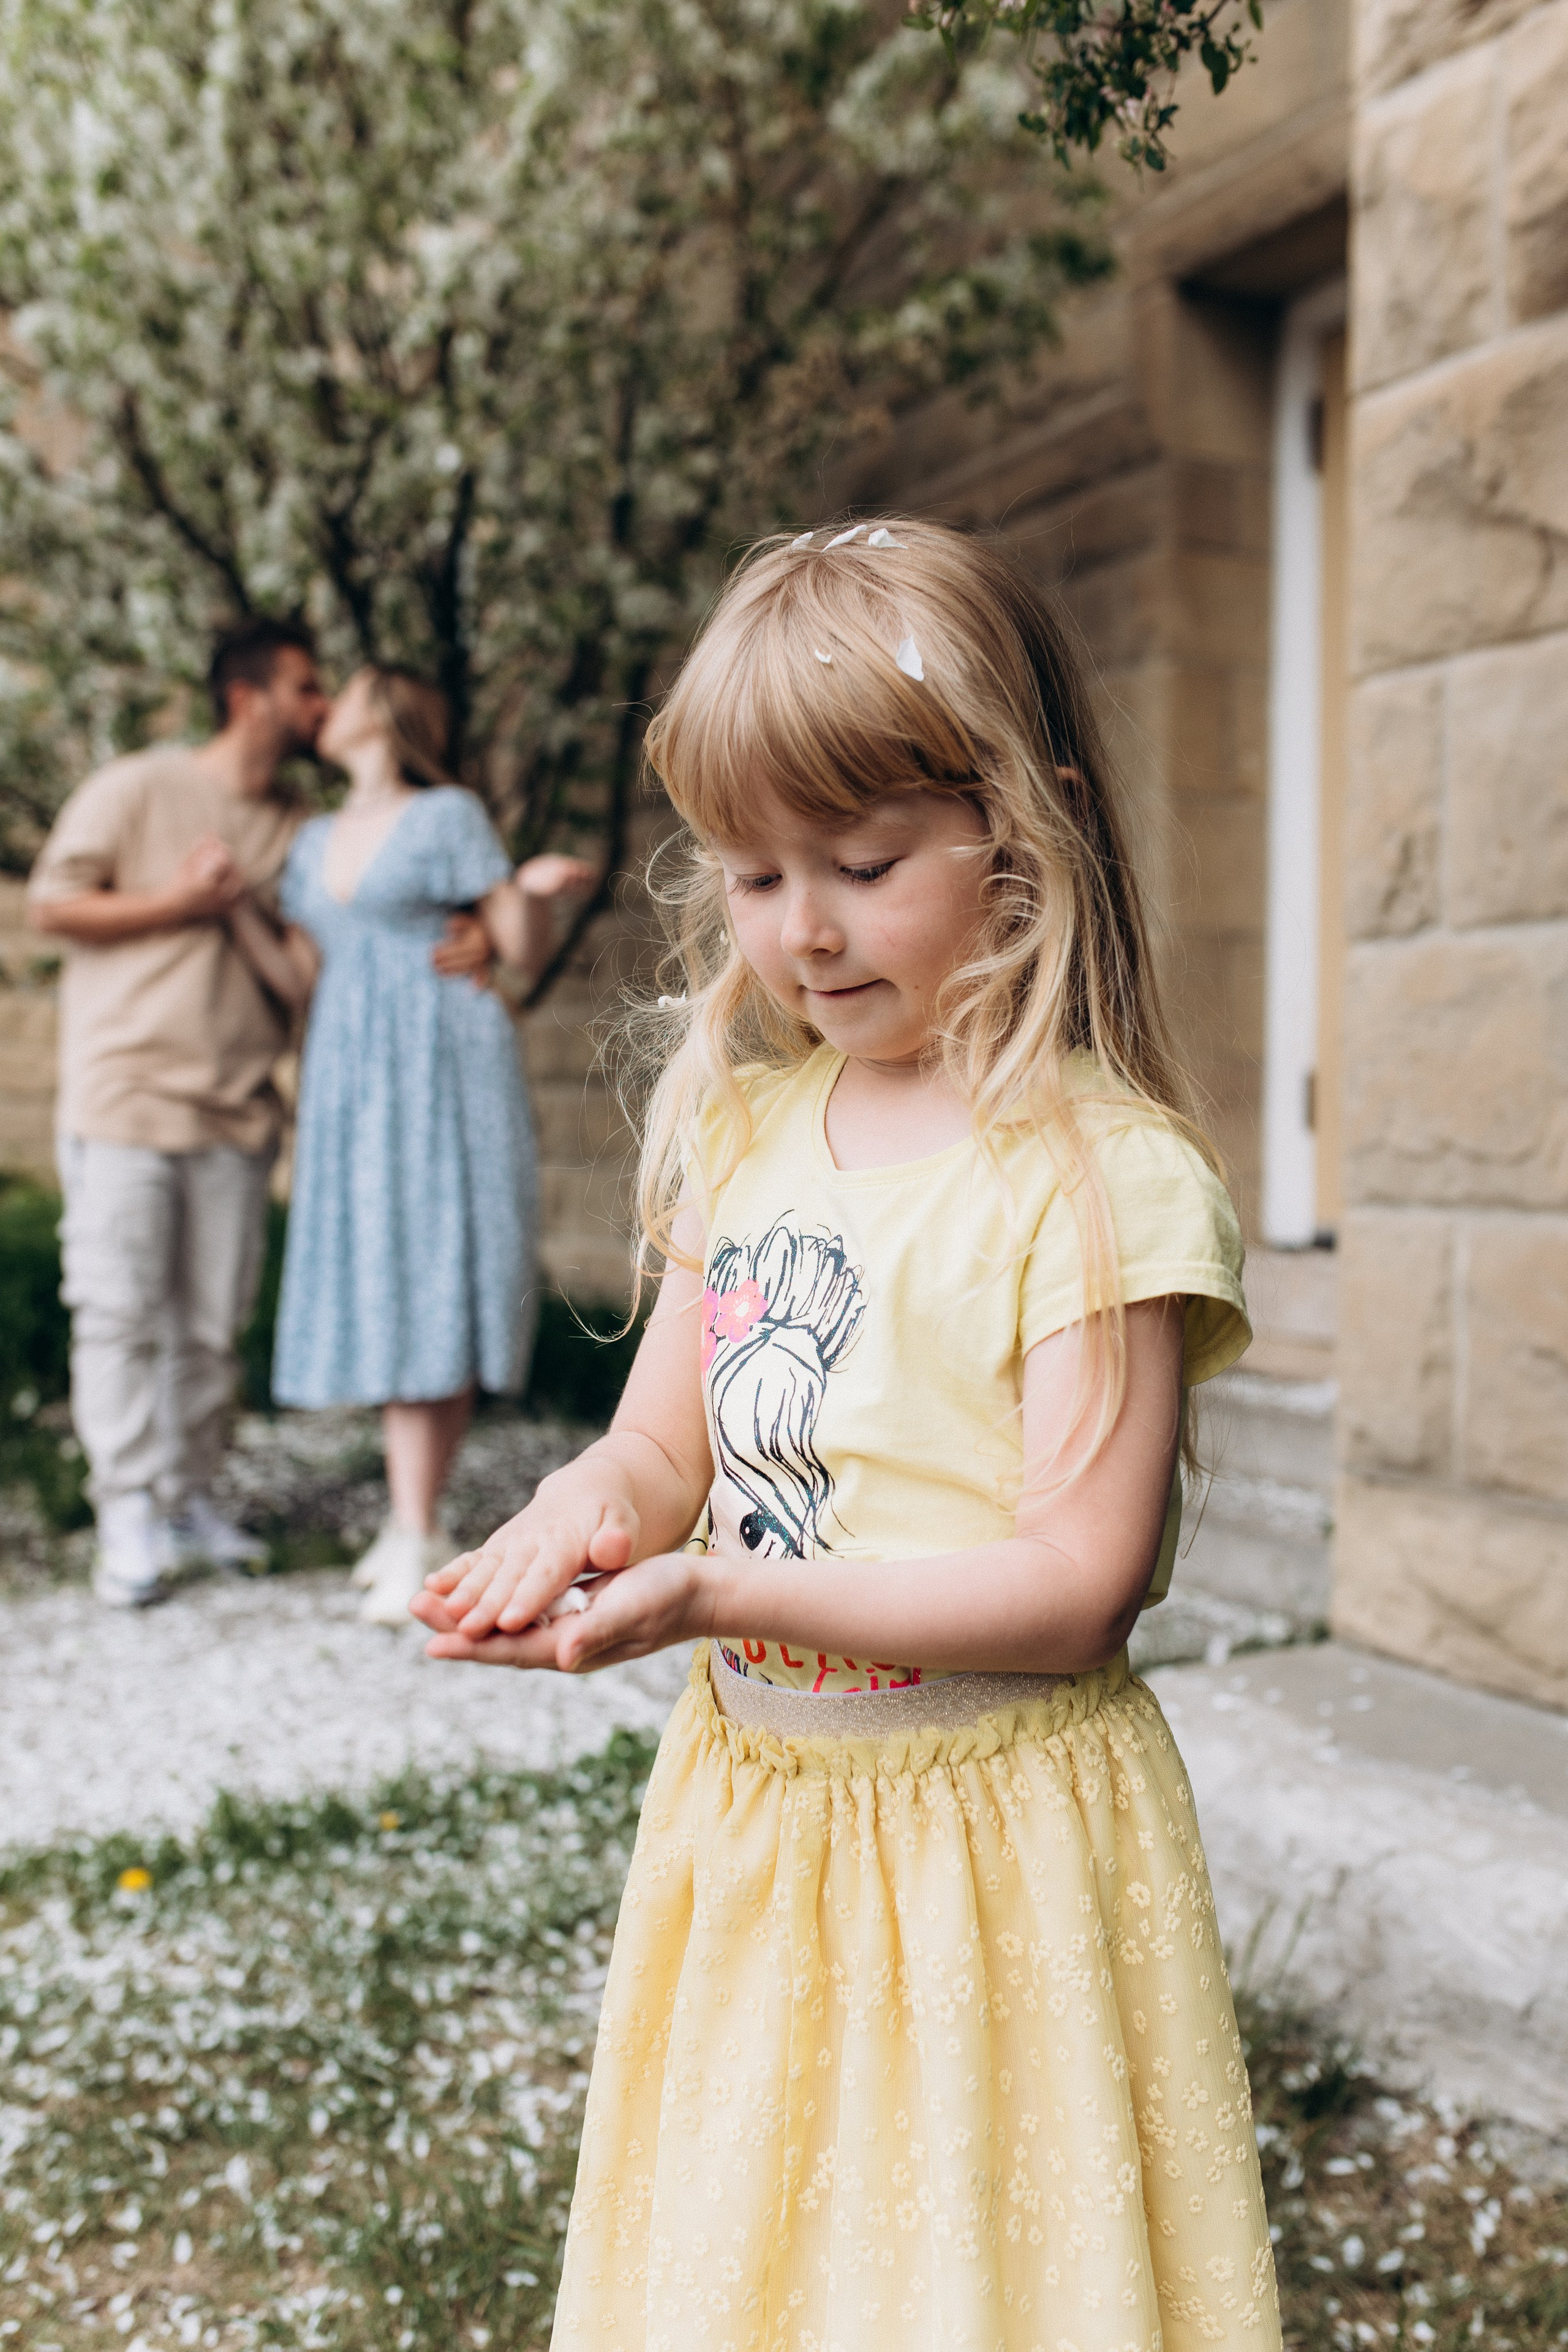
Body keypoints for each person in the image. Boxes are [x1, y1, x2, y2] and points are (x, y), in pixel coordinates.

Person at [410, 520, 1282, 2348]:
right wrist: (577, 1509)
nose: (801, 928)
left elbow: (1076, 1586)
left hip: (991, 1844)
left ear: (1024, 830)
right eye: (752, 875)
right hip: (760, 1815)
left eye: (863, 866)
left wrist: (718, 1597)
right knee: (766, 2246)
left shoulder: (1096, 1177)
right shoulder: (743, 1140)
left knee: (972, 2263)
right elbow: (664, 1452)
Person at [26, 620, 495, 1610]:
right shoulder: (138, 788)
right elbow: (51, 907)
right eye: (304, 687)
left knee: (210, 1326)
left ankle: (187, 1499)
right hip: (125, 1095)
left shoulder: (298, 825)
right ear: (248, 698)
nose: (320, 706)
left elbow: (355, 924)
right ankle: (127, 1510)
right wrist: (178, 900)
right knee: (118, 1312)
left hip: (239, 1109)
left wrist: (484, 931)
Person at [227, 665, 594, 1626]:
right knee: (384, 1270)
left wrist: (527, 891)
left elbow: (520, 949)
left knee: (434, 1259)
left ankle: (416, 1523)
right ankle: (409, 1522)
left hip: (442, 1059)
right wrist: (235, 912)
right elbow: (303, 977)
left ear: (386, 712)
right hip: (351, 1075)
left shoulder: (447, 815)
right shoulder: (312, 840)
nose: (327, 705)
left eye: (344, 690)